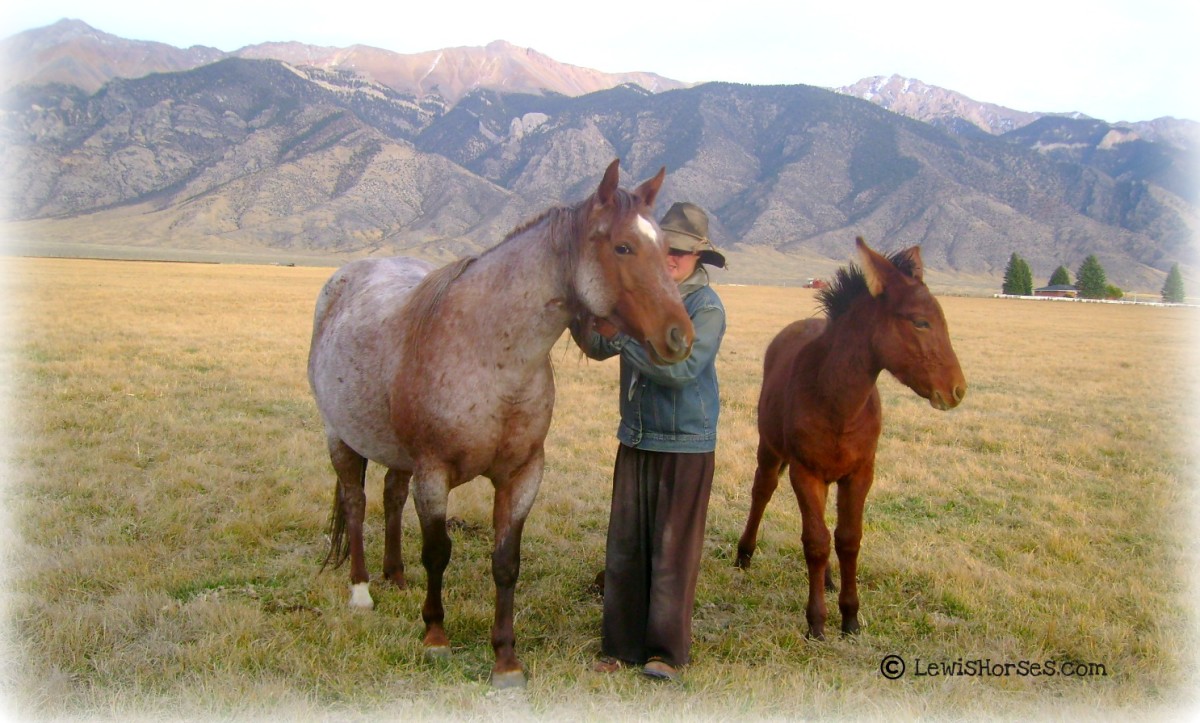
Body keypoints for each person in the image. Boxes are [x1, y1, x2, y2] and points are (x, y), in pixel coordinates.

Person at [571, 201, 727, 682]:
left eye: (682, 252)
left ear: (699, 257)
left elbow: (679, 371)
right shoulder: (640, 295)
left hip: (684, 443)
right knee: (625, 549)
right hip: (636, 436)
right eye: (668, 249)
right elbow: (597, 346)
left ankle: (664, 654)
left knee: (672, 554)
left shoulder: (705, 307)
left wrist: (621, 337)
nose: (674, 259)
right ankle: (619, 647)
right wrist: (583, 305)